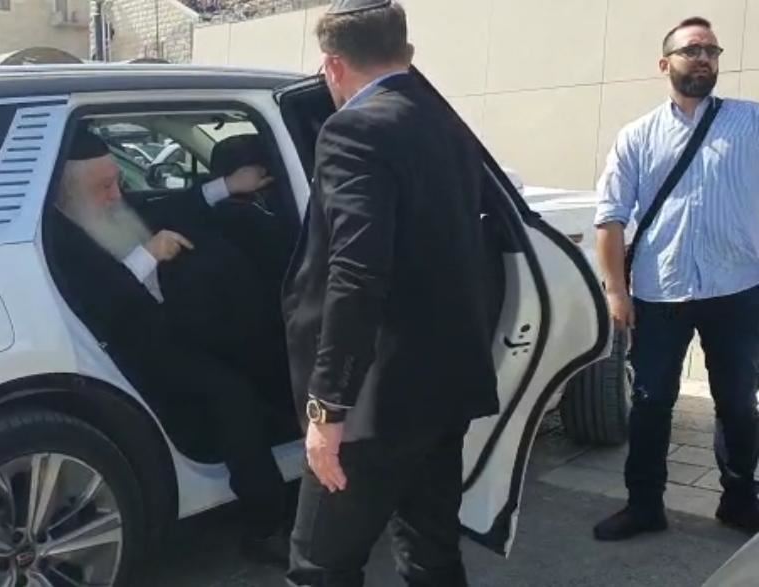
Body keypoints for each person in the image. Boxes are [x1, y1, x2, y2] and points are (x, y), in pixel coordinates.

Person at [281, 2, 499, 585]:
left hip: (374, 401)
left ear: (333, 65)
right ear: (407, 53)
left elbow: (356, 274)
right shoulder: (447, 124)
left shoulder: (353, 129)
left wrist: (328, 408)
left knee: (320, 565)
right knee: (431, 552)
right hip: (445, 388)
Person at [46, 126, 293, 563]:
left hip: (171, 324)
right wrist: (150, 254)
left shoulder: (105, 206)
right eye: (104, 187)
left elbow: (168, 205)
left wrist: (229, 185)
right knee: (231, 396)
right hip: (131, 346)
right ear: (68, 192)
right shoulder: (61, 239)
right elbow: (101, 304)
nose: (116, 195)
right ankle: (267, 522)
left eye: (117, 181)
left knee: (262, 342)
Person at [592, 17, 759, 542]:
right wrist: (616, 292)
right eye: (692, 50)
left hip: (737, 289)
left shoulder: (751, 123)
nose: (704, 58)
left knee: (738, 401)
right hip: (660, 293)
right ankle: (644, 505)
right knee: (650, 401)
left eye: (712, 50)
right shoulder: (637, 136)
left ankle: (739, 501)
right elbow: (610, 218)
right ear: (665, 63)